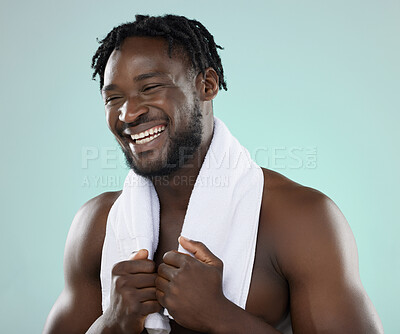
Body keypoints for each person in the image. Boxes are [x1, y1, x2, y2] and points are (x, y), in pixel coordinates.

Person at [43, 14, 383, 334]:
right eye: (113, 98)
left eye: (149, 88)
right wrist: (111, 323)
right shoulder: (97, 223)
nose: (128, 113)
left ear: (207, 85)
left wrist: (221, 317)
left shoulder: (301, 218)